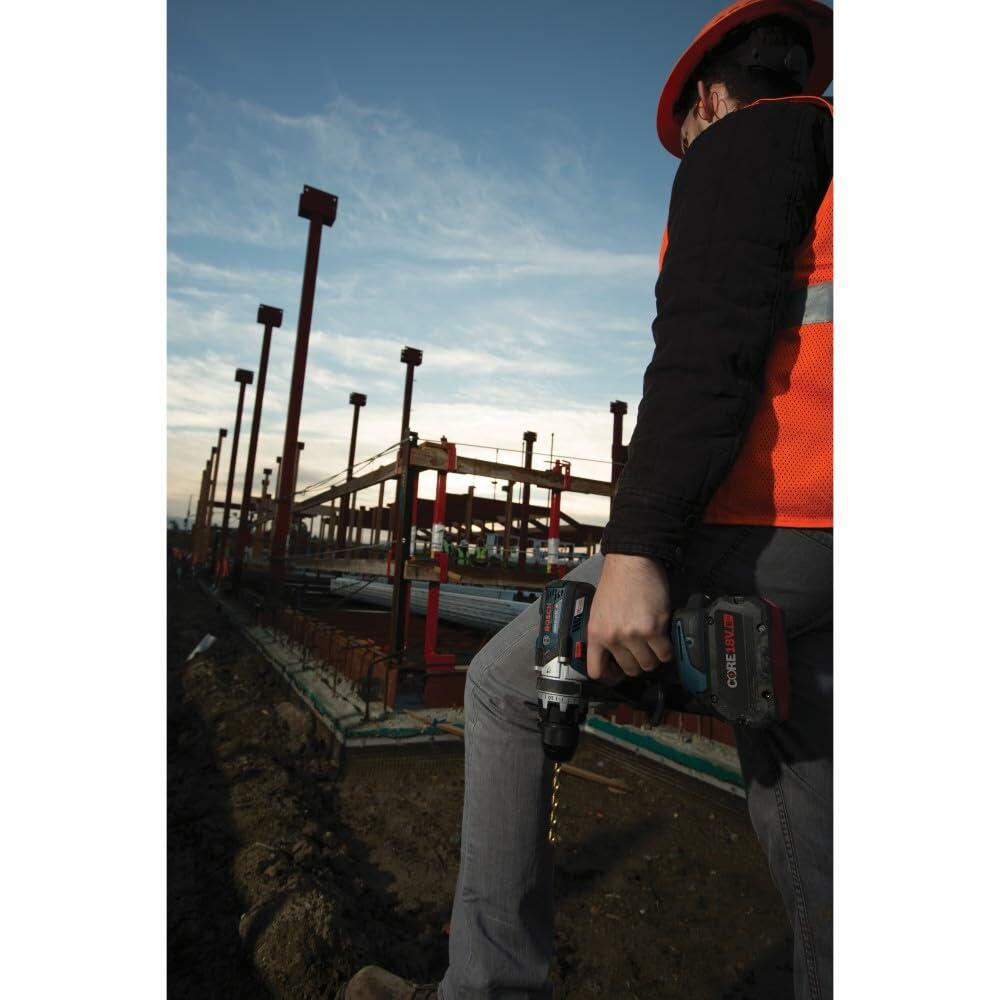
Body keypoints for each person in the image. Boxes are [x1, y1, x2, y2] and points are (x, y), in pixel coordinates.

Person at [338, 1, 833, 997]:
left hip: (767, 518)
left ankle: (483, 988)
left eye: (685, 130)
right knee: (802, 770)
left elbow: (703, 351)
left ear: (705, 98)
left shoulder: (744, 142)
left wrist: (638, 553)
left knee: (505, 685)